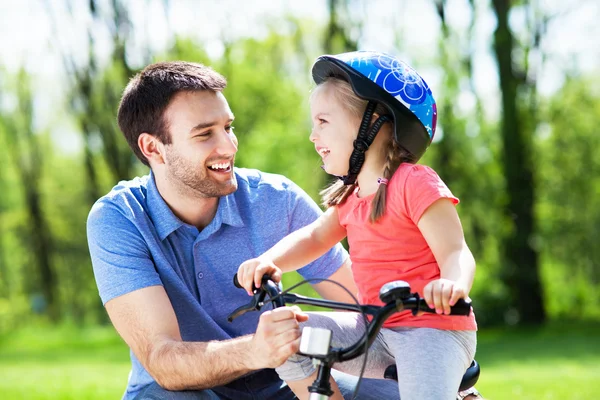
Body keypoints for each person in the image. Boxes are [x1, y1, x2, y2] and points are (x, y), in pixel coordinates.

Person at [86, 60, 402, 400]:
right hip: (183, 391)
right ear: (153, 148)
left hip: (284, 383)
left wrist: (442, 382)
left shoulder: (277, 200)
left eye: (228, 127)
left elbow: (366, 306)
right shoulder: (119, 218)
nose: (228, 146)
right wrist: (256, 349)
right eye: (205, 134)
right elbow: (162, 360)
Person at [237, 51, 481, 400]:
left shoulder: (415, 182)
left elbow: (456, 250)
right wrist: (269, 261)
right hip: (372, 329)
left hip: (431, 329)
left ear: (375, 122)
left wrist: (452, 284)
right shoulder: (351, 195)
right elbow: (315, 236)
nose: (312, 135)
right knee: (286, 337)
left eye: (323, 121)